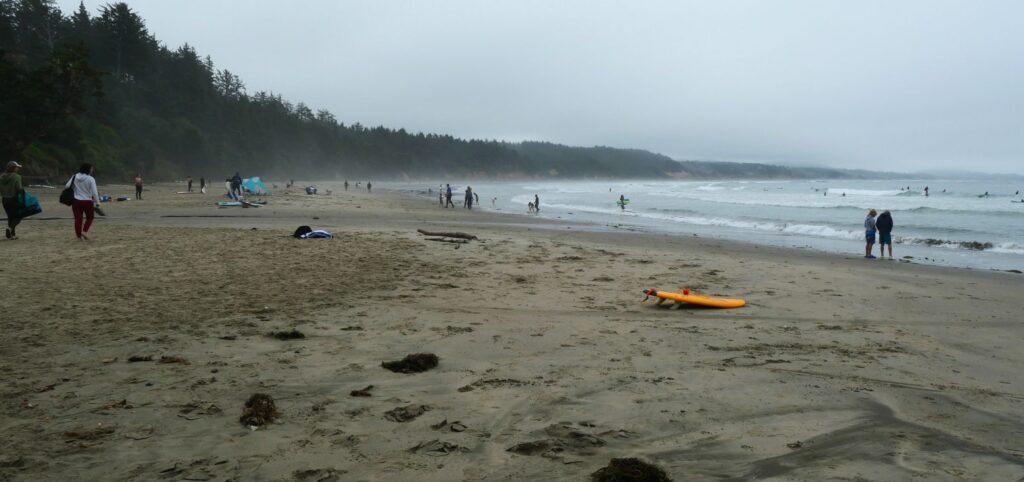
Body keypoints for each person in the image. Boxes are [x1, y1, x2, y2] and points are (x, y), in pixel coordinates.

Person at [67, 163, 101, 240]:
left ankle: (79, 236)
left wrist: (75, 189)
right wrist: (98, 202)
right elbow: (94, 192)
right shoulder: (91, 179)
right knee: (90, 217)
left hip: (76, 201)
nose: (92, 170)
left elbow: (67, 186)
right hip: (87, 201)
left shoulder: (75, 176)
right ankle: (84, 231)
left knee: (78, 219)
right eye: (91, 168)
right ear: (88, 169)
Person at [1, 161, 23, 239]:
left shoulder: (2, 177)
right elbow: (19, 188)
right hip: (13, 199)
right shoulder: (17, 177)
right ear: (13, 168)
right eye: (17, 167)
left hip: (4, 199)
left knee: (10, 216)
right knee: (19, 215)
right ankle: (10, 228)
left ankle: (12, 235)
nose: (18, 169)